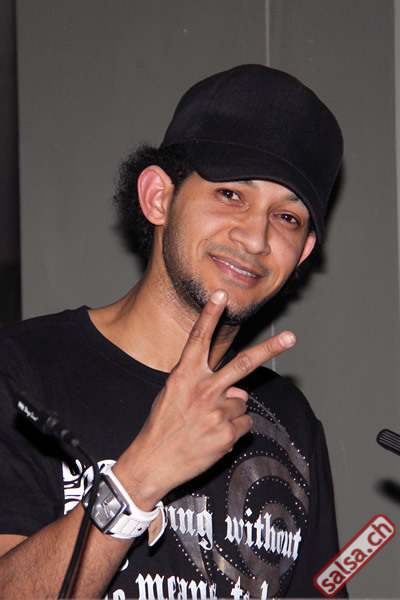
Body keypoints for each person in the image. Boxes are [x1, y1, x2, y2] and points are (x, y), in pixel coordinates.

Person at [0, 64, 345, 599]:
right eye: (231, 194)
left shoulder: (288, 419)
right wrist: (137, 480)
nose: (256, 237)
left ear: (301, 254)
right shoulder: (22, 372)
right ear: (159, 196)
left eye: (288, 218)